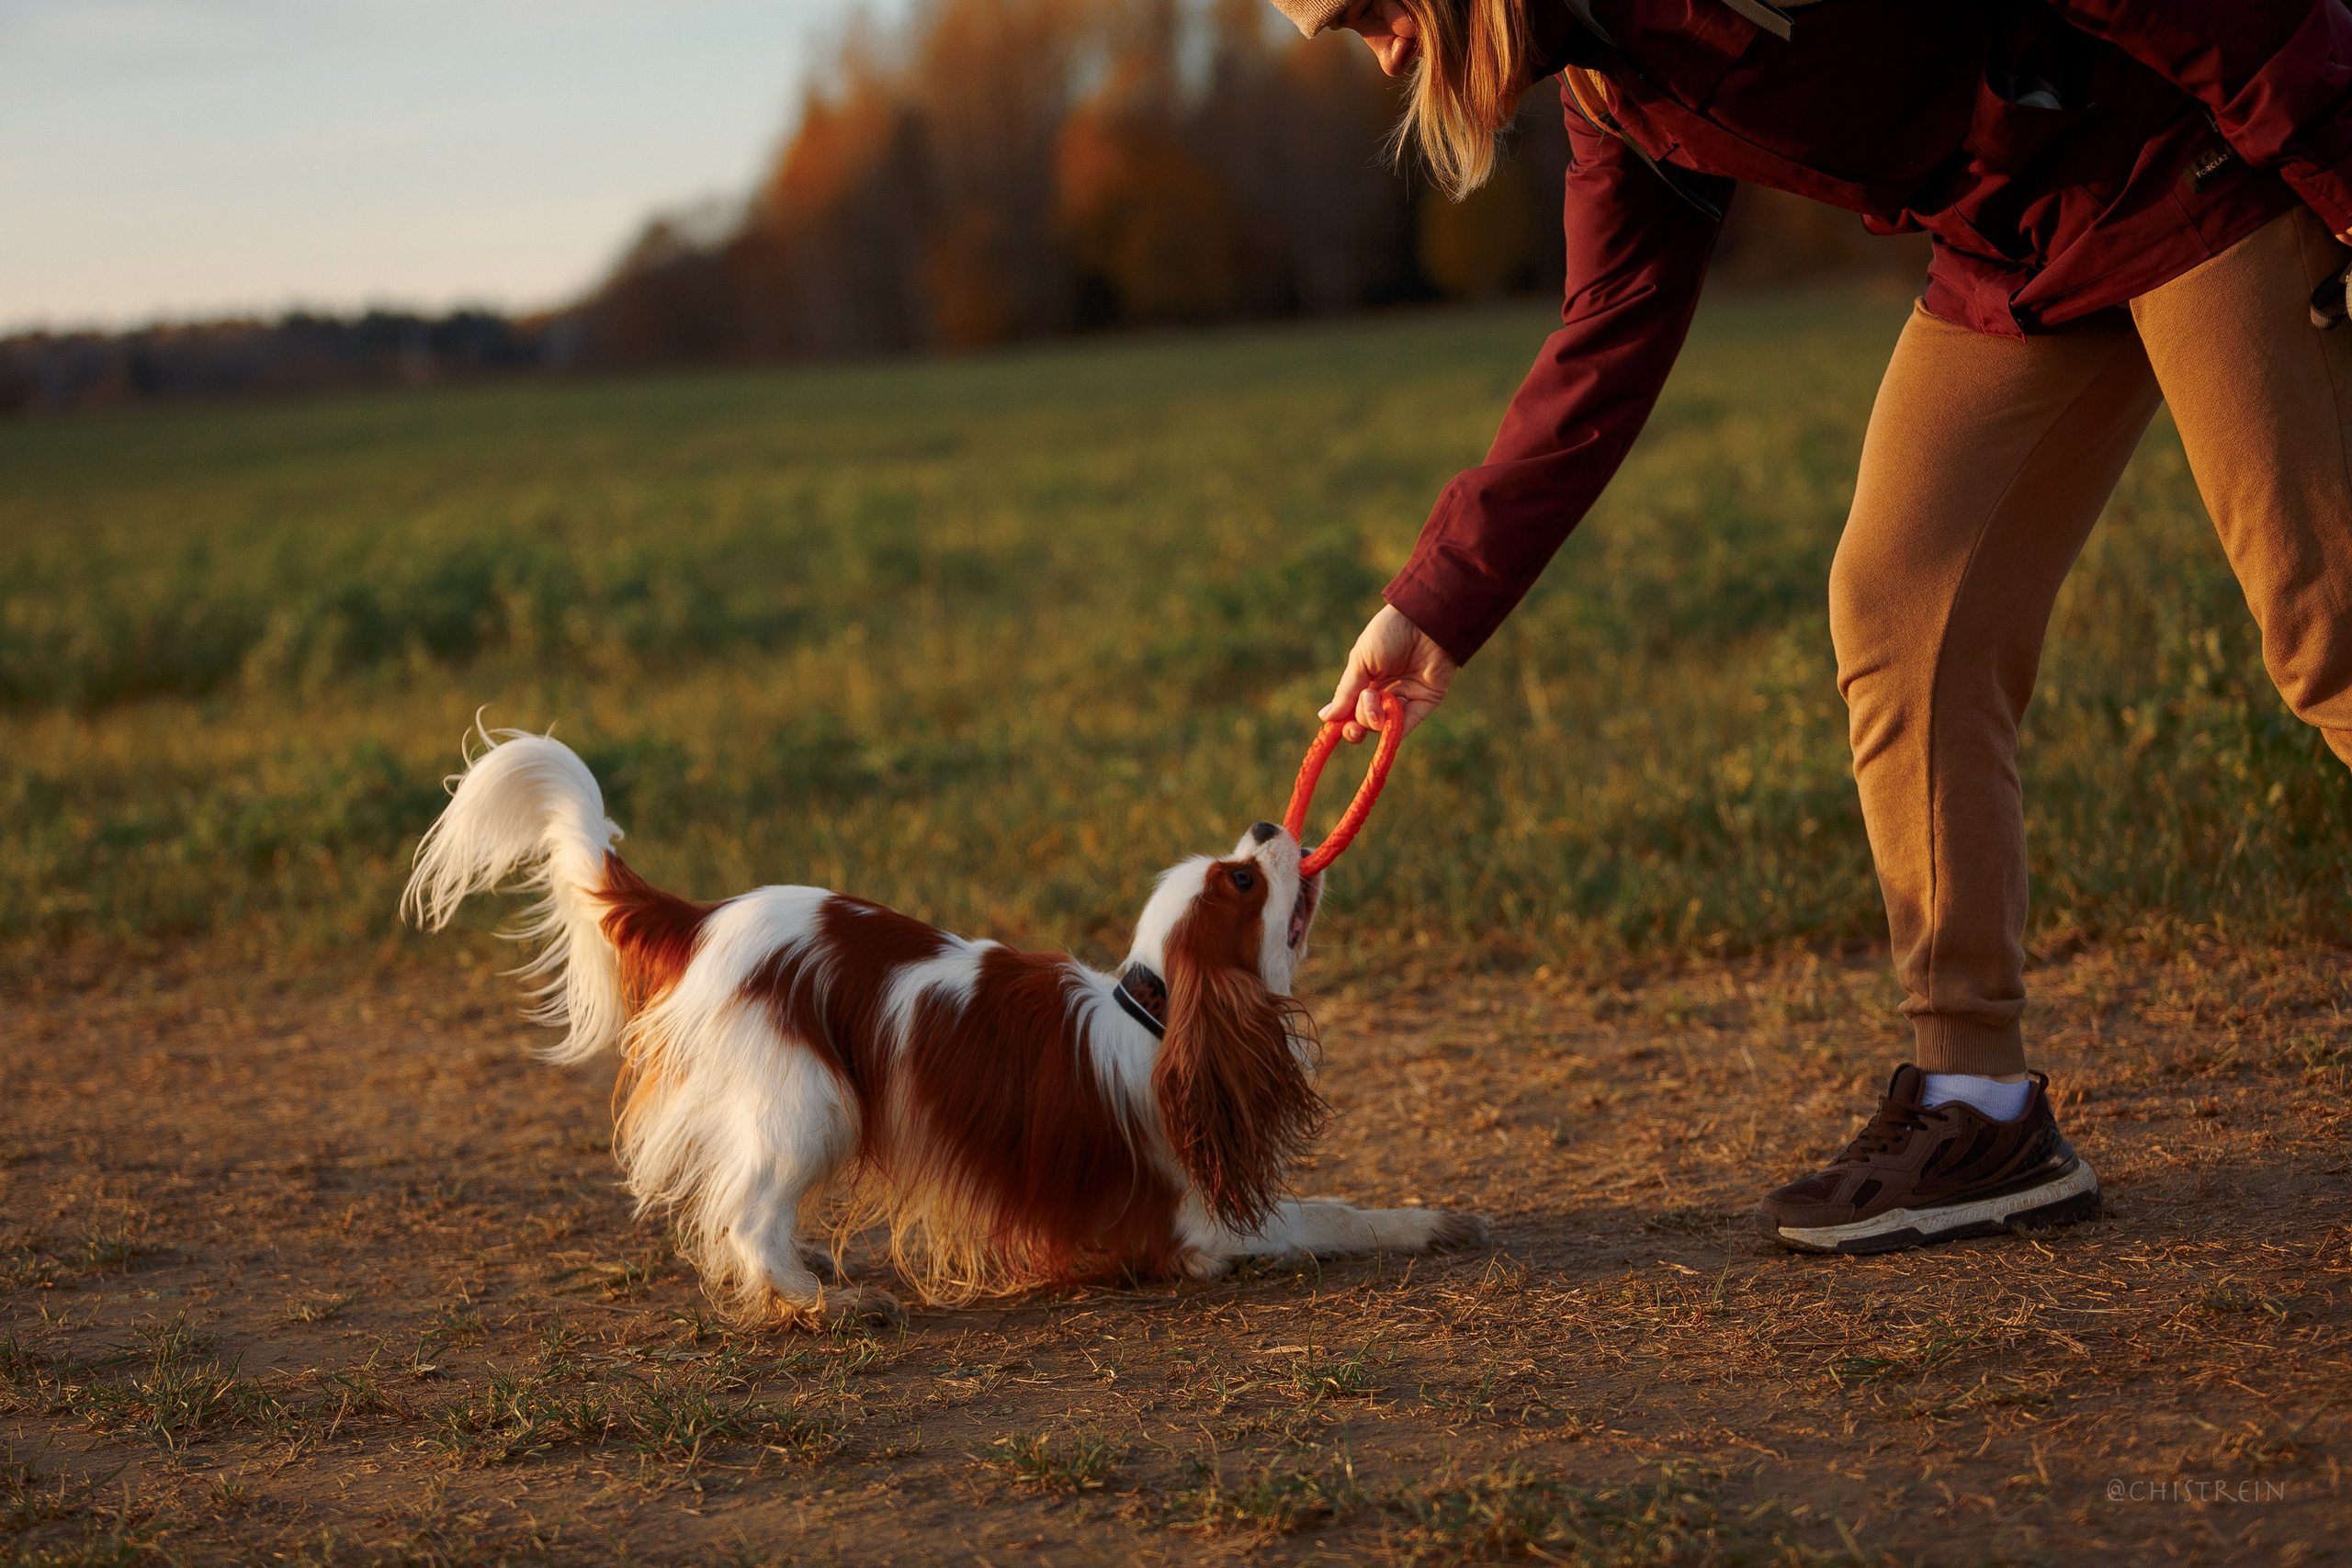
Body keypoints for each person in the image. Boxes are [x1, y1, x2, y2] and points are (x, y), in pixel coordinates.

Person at [1272, 0, 2352, 1254]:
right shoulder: (1611, 85)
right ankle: (1979, 1106)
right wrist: (1431, 607)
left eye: (1374, 12)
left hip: (2194, 158)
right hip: (2020, 242)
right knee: (1904, 607)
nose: (1385, 55)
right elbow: (1610, 329)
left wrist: (2335, 149)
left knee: (2327, 630)